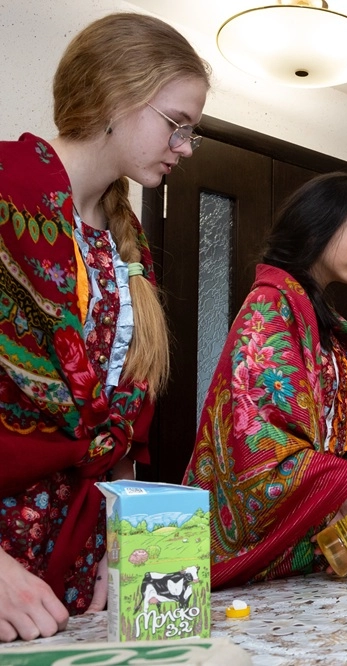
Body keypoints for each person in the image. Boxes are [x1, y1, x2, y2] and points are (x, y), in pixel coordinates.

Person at [0, 13, 210, 642]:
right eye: (177, 124)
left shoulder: (127, 241)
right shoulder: (6, 189)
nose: (186, 147)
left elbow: (120, 428)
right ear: (118, 94)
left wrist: (123, 544)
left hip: (78, 576)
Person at [183, 172, 347, 588]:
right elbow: (261, 459)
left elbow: (331, 447)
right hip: (246, 574)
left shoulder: (323, 326)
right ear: (318, 224)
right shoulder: (269, 308)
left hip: (298, 570)